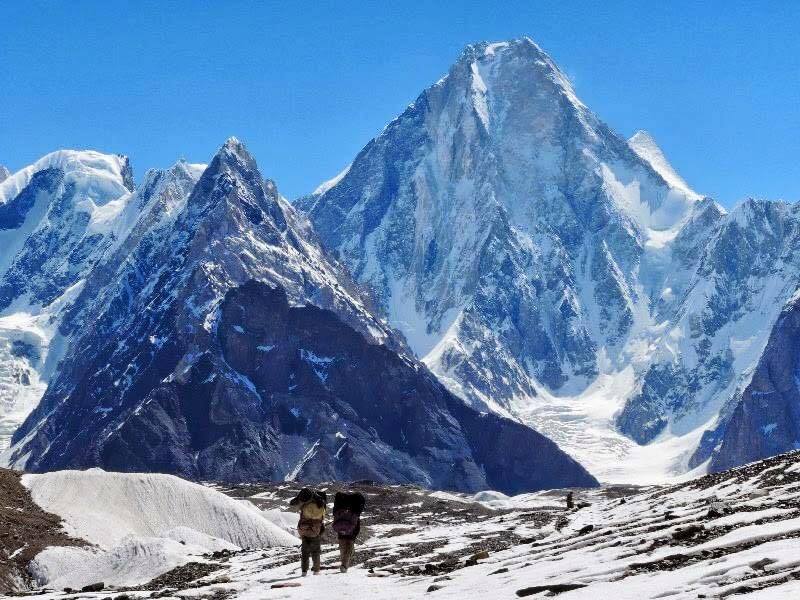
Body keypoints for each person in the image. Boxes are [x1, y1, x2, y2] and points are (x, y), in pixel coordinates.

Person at [289, 487, 327, 576]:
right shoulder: (321, 506)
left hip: (303, 530)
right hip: (315, 531)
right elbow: (322, 519)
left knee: (305, 552)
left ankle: (304, 571)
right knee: (316, 551)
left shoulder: (305, 504)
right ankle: (316, 571)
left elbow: (293, 504)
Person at [332, 490, 366, 573]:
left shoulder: (339, 510)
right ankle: (344, 565)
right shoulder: (355, 512)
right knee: (349, 549)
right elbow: (356, 526)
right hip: (351, 533)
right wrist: (355, 534)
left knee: (343, 548)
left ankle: (343, 564)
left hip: (340, 532)